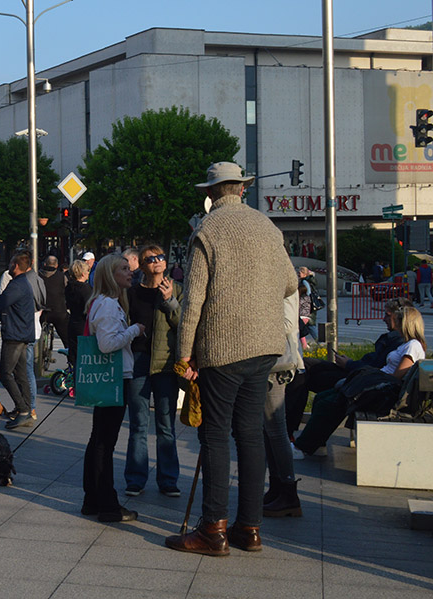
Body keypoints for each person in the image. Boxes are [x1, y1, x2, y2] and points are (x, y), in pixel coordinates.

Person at [166, 162, 297, 556]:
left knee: (215, 436)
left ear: (211, 191)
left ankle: (212, 530)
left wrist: (184, 352)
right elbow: (291, 281)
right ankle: (249, 528)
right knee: (250, 435)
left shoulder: (208, 230)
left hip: (223, 347)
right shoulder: (267, 227)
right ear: (241, 189)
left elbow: (193, 300)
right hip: (266, 346)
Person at [294, 305, 427, 455]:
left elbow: (395, 377)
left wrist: (368, 377)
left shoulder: (413, 346)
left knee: (330, 404)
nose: (394, 323)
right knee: (322, 397)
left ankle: (302, 447)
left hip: (384, 392)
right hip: (379, 386)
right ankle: (317, 444)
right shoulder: (407, 344)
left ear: (406, 323)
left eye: (397, 319)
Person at [82, 253, 144, 523]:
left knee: (99, 440)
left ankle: (93, 499)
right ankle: (107, 503)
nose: (130, 272)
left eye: (129, 268)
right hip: (113, 377)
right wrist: (134, 330)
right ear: (110, 275)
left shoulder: (103, 303)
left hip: (112, 376)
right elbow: (107, 344)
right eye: (123, 269)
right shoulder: (108, 305)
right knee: (105, 443)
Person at [123, 244, 181, 498]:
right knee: (138, 423)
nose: (157, 261)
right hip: (139, 360)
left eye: (160, 257)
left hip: (166, 363)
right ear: (142, 265)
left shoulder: (176, 289)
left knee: (166, 424)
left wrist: (169, 301)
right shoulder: (132, 293)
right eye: (150, 259)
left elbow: (183, 324)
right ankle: (136, 478)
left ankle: (168, 479)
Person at [262, 290, 304, 518]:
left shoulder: (286, 286)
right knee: (268, 430)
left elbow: (288, 323)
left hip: (277, 365)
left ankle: (288, 492)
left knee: (276, 430)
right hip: (268, 362)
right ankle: (277, 487)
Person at [0, 253, 36, 429]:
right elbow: (13, 308)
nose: (8, 265)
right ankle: (27, 410)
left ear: (15, 265)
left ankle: (23, 410)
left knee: (5, 374)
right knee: (20, 374)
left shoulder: (17, 285)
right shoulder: (23, 283)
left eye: (10, 262)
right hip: (21, 334)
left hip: (15, 336)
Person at [64, 259, 92, 366]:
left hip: (72, 323)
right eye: (87, 271)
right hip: (84, 325)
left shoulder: (69, 287)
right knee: (85, 358)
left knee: (75, 358)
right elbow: (89, 308)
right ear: (83, 273)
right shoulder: (86, 289)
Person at [39, 254, 70, 351]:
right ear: (56, 266)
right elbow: (68, 291)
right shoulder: (62, 277)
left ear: (44, 264)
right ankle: (71, 361)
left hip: (41, 312)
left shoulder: (37, 275)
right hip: (59, 312)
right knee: (67, 338)